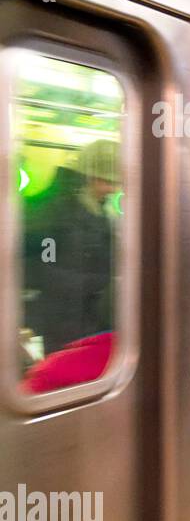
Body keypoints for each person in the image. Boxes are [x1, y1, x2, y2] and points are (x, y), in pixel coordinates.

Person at [23, 138, 119, 358]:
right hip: (63, 323)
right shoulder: (53, 211)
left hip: (90, 319)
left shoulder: (98, 210)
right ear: (89, 177)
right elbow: (40, 270)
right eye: (107, 181)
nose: (112, 189)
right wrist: (97, 282)